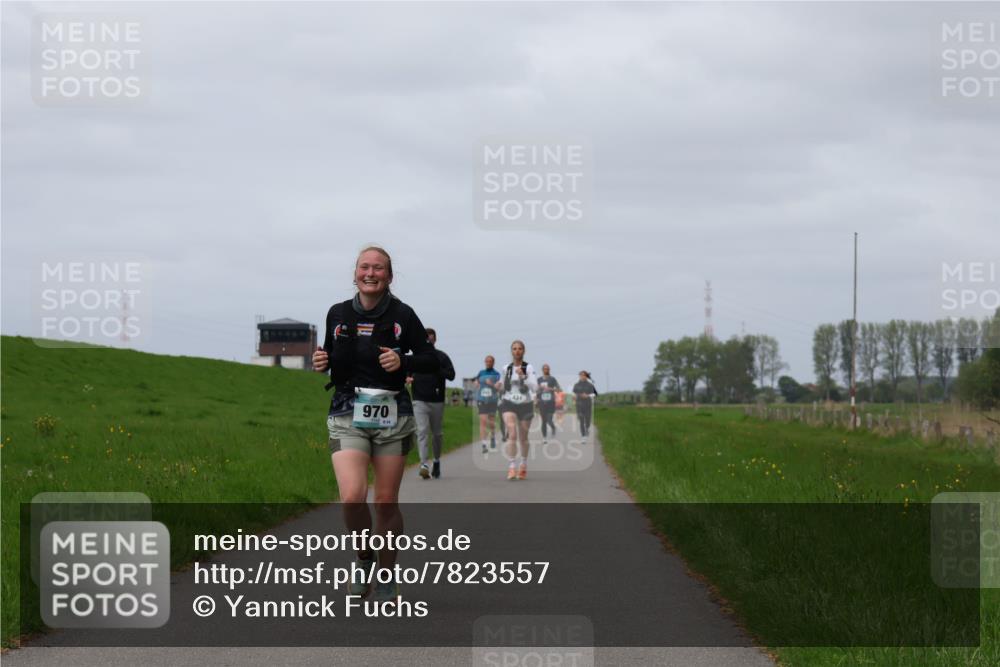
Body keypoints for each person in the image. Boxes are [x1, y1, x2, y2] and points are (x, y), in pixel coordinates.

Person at [312, 246, 439, 602]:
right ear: (355, 273)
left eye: (378, 268)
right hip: (346, 410)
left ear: (389, 276)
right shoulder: (337, 314)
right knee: (352, 497)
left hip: (392, 415)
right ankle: (365, 558)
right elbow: (331, 358)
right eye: (364, 267)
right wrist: (321, 361)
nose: (371, 273)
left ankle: (386, 571)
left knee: (385, 502)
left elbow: (431, 359)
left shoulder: (403, 314)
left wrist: (403, 362)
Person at [408, 328, 456, 480]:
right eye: (425, 338)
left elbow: (451, 375)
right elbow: (406, 371)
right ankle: (424, 464)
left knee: (437, 434)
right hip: (418, 399)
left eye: (431, 338)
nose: (428, 341)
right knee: (421, 431)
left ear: (435, 340)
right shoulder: (415, 357)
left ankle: (436, 461)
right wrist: (407, 378)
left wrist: (437, 369)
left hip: (437, 400)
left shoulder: (441, 357)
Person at [496, 340, 538, 480]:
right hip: (509, 403)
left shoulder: (529, 367)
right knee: (512, 433)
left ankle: (523, 465)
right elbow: (502, 385)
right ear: (511, 351)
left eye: (520, 348)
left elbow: (535, 387)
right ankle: (512, 467)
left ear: (523, 351)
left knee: (523, 438)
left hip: (525, 404)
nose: (517, 351)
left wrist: (523, 377)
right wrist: (499, 386)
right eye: (514, 348)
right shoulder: (506, 368)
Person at [475, 355, 502, 454]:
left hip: (492, 400)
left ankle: (493, 436)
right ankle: (483, 445)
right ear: (485, 362)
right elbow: (476, 381)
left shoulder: (497, 374)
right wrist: (476, 383)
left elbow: (498, 387)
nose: (488, 363)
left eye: (490, 361)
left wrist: (491, 384)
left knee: (491, 422)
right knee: (483, 421)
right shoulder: (481, 373)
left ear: (493, 363)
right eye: (486, 361)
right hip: (481, 399)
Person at [535, 364, 561, 444]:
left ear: (549, 370)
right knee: (543, 421)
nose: (546, 370)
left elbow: (559, 389)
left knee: (549, 420)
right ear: (542, 370)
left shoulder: (552, 379)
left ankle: (553, 427)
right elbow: (536, 390)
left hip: (550, 402)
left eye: (547, 369)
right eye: (544, 369)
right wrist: (536, 398)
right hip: (542, 402)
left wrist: (551, 389)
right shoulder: (539, 379)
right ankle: (544, 437)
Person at [572, 371, 598, 438]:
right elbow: (574, 394)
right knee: (581, 420)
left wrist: (588, 396)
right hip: (579, 404)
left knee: (587, 420)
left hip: (587, 404)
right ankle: (583, 435)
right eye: (581, 375)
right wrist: (574, 400)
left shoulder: (590, 385)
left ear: (586, 376)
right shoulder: (576, 385)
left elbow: (595, 394)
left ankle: (587, 428)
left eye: (584, 375)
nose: (582, 377)